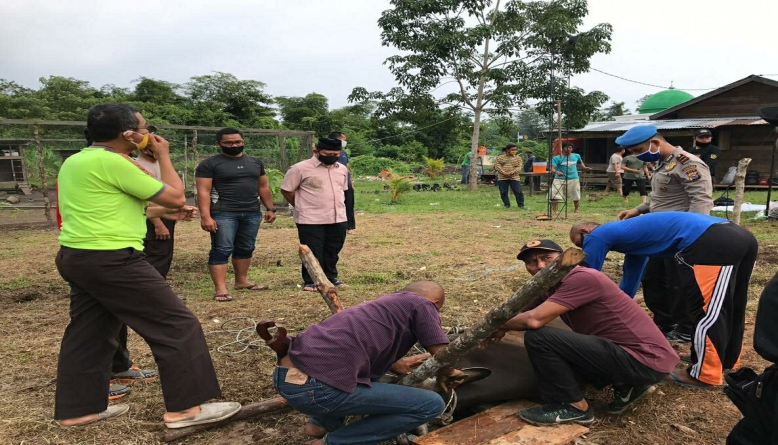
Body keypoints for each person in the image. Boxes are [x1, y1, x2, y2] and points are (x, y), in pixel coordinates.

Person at [55, 103, 240, 428]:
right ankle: (185, 410)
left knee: (90, 332)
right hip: (112, 259)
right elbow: (175, 194)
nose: (150, 134)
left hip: (78, 256)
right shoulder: (114, 162)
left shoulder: (77, 160)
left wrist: (158, 214)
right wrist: (164, 156)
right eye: (145, 128)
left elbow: (110, 209)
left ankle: (78, 410)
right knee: (177, 325)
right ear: (129, 134)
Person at [481, 240, 677, 425]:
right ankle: (627, 385)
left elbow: (533, 320)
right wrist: (503, 325)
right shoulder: (550, 287)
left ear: (563, 257)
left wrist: (496, 324)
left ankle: (574, 406)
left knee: (540, 338)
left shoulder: (583, 277)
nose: (540, 266)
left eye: (546, 258)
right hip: (642, 358)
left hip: (646, 360)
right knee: (563, 344)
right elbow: (522, 312)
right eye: (531, 262)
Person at [570, 212, 758, 388]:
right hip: (738, 235)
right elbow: (630, 279)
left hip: (710, 241)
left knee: (706, 310)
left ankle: (704, 374)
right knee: (732, 303)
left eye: (580, 244)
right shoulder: (632, 238)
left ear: (584, 231)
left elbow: (587, 276)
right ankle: (725, 360)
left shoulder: (597, 234)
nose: (583, 248)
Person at [272, 281, 462, 445]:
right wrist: (447, 371)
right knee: (430, 404)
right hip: (317, 391)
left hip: (287, 379)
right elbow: (441, 352)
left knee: (357, 372)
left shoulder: (380, 306)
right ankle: (332, 442)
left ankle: (319, 424)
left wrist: (395, 362)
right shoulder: (423, 304)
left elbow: (359, 346)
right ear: (435, 303)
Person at [615, 125, 713, 343]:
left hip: (680, 235)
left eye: (638, 149)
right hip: (659, 235)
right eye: (632, 152)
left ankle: (687, 328)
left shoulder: (689, 163)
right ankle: (664, 321)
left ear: (655, 143)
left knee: (680, 282)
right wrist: (638, 210)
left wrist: (692, 236)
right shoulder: (662, 163)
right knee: (653, 279)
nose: (635, 155)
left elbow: (701, 200)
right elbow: (662, 198)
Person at [195, 128, 277, 302]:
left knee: (246, 247)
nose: (234, 145)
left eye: (238, 142)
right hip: (223, 212)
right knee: (222, 248)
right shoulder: (209, 164)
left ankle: (242, 281)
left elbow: (262, 186)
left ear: (243, 141)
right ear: (218, 144)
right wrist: (206, 216)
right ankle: (221, 288)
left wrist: (270, 208)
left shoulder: (255, 162)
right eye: (229, 143)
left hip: (251, 211)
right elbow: (203, 191)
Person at [281, 138, 349, 291]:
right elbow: (286, 190)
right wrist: (300, 206)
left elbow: (343, 191)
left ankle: (331, 277)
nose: (332, 156)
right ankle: (312, 281)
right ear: (315, 151)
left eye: (335, 154)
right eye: (327, 153)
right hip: (310, 218)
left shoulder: (342, 169)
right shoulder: (299, 169)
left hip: (337, 216)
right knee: (312, 250)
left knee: (333, 249)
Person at [550, 143, 591, 213]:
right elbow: (552, 169)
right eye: (568, 148)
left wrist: (584, 167)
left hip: (573, 178)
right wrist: (557, 172)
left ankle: (576, 209)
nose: (569, 149)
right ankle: (554, 210)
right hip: (559, 179)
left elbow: (580, 162)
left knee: (576, 193)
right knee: (555, 194)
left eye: (571, 148)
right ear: (563, 148)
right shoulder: (556, 158)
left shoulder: (576, 156)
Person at [330, 131, 356, 235]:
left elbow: (347, 168)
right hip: (335, 185)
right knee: (336, 205)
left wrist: (351, 181)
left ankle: (350, 227)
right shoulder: (327, 154)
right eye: (343, 140)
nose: (345, 142)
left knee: (349, 204)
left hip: (347, 184)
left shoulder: (344, 153)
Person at [494, 144, 525, 209]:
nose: (514, 151)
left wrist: (511, 172)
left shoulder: (518, 158)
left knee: (518, 191)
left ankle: (521, 205)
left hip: (514, 177)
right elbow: (497, 166)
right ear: (507, 150)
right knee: (503, 192)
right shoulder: (500, 157)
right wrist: (504, 172)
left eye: (515, 150)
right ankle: (506, 205)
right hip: (502, 177)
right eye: (512, 150)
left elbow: (519, 167)